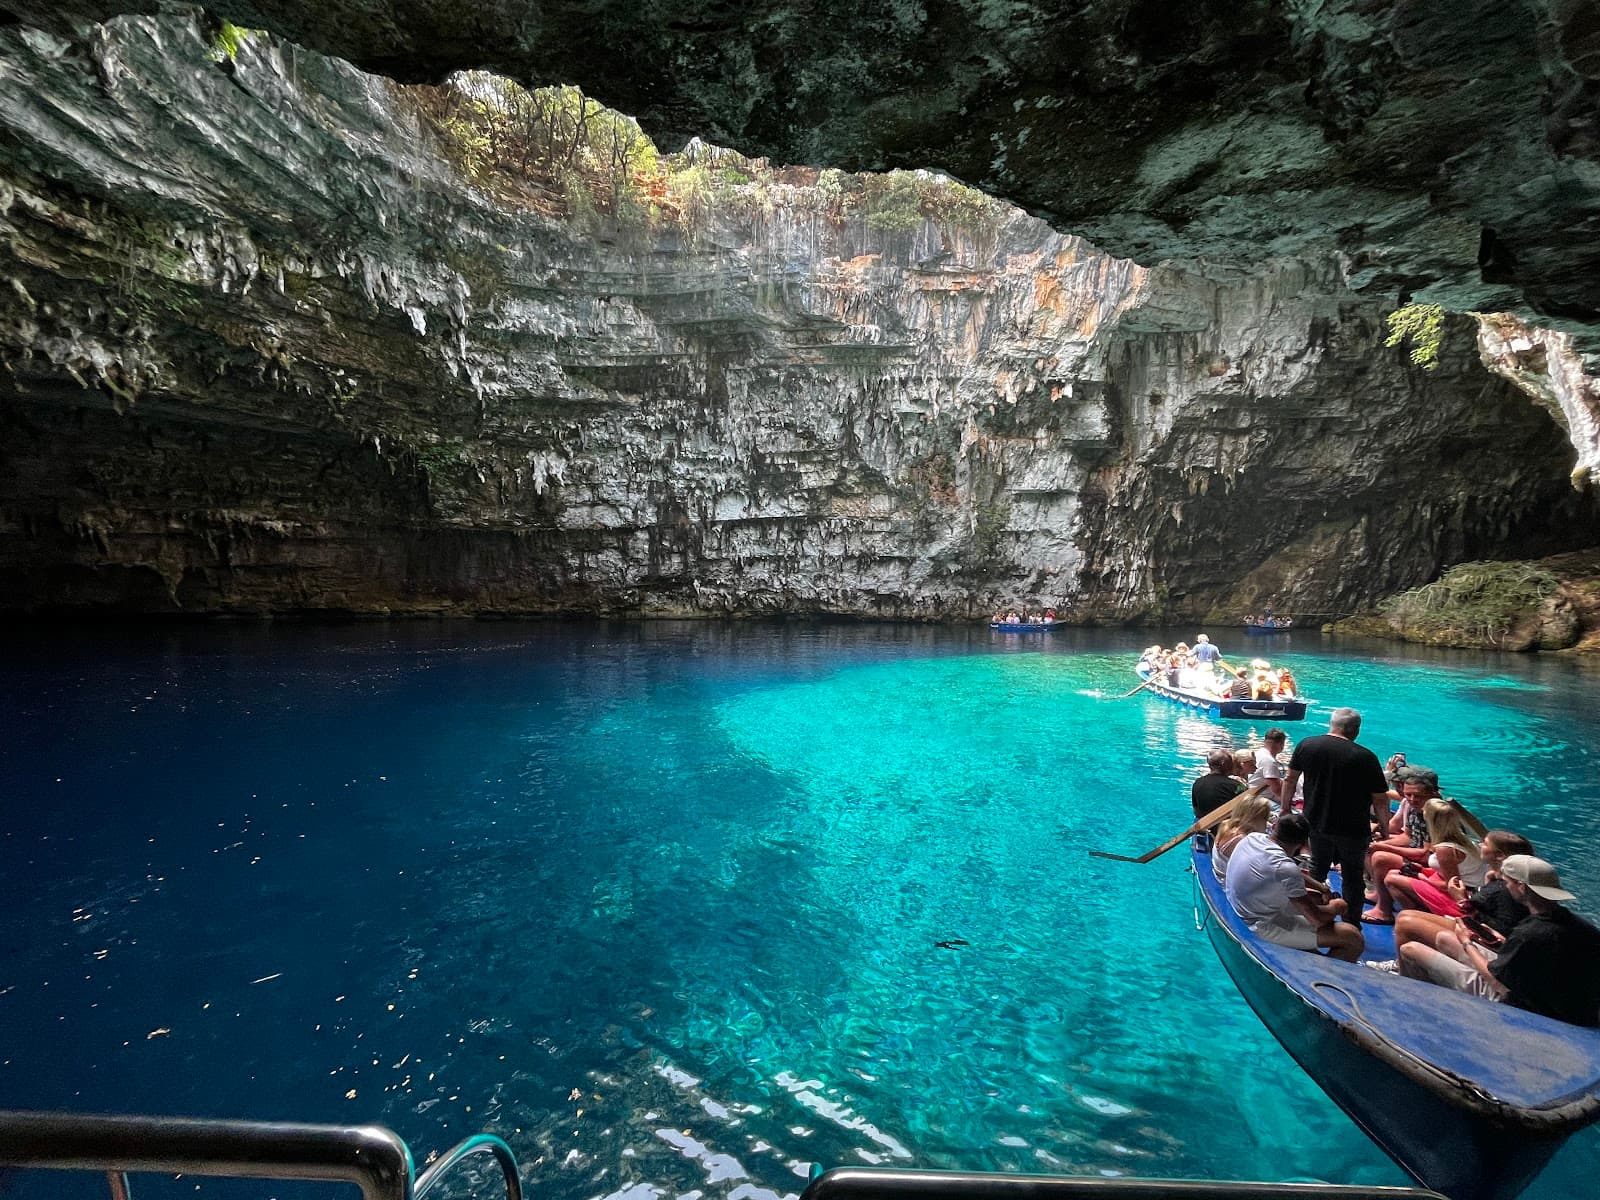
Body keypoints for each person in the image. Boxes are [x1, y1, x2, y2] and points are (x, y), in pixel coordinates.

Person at [1398, 855, 1600, 1026]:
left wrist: (1467, 943)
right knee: (1444, 938)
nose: (1506, 887)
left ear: (1521, 887)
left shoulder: (1529, 933)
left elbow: (1496, 982)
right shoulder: (1582, 927)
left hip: (1520, 1002)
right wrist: (1502, 942)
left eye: (1508, 882)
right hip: (1558, 999)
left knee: (1410, 949)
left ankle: (1420, 1012)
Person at [1279, 708, 1389, 924]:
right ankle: (1352, 924)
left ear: (1331, 724)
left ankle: (1313, 919)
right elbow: (1380, 799)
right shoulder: (1365, 757)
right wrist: (1385, 827)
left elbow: (1289, 779)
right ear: (1355, 729)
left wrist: (1285, 808)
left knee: (1316, 871)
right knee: (1352, 878)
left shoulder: (1307, 745)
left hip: (1314, 821)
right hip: (1352, 828)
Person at [1379, 831, 1536, 972]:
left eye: (1485, 843)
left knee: (1405, 921)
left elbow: (1501, 928)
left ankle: (1403, 970)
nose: (1480, 845)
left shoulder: (1505, 889)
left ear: (1499, 855)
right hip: (1473, 925)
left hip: (1483, 937)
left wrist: (1461, 900)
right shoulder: (1497, 878)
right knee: (1406, 915)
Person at [1224, 813, 1363, 961]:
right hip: (1259, 924)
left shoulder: (1252, 839)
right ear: (1303, 843)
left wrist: (1322, 888)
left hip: (1241, 907)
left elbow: (1287, 873)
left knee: (1317, 899)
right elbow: (1317, 919)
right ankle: (1319, 971)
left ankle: (1311, 952)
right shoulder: (1284, 867)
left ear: (1274, 827)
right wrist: (1337, 907)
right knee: (1352, 937)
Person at [1211, 791, 1274, 881]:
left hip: (1220, 874)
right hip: (1227, 882)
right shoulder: (1243, 841)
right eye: (1265, 818)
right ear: (1256, 819)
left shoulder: (1226, 825)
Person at [1192, 748, 1245, 821]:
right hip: (1226, 825)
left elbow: (1196, 810)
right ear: (1224, 764)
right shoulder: (1235, 785)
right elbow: (1249, 804)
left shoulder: (1197, 783)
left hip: (1204, 824)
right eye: (1231, 762)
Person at [1249, 728, 1288, 805]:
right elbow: (1276, 789)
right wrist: (1287, 804)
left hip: (1253, 794)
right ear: (1281, 744)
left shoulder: (1259, 753)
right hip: (1262, 799)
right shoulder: (1269, 761)